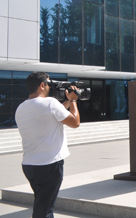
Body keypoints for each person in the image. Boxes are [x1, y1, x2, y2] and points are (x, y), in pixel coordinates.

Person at [15, 72, 81, 218]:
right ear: (42, 85)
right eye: (48, 84)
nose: (50, 87)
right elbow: (75, 122)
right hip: (49, 165)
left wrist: (67, 102)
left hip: (29, 165)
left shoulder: (21, 108)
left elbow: (52, 113)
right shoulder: (50, 103)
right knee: (44, 210)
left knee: (42, 203)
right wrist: (74, 101)